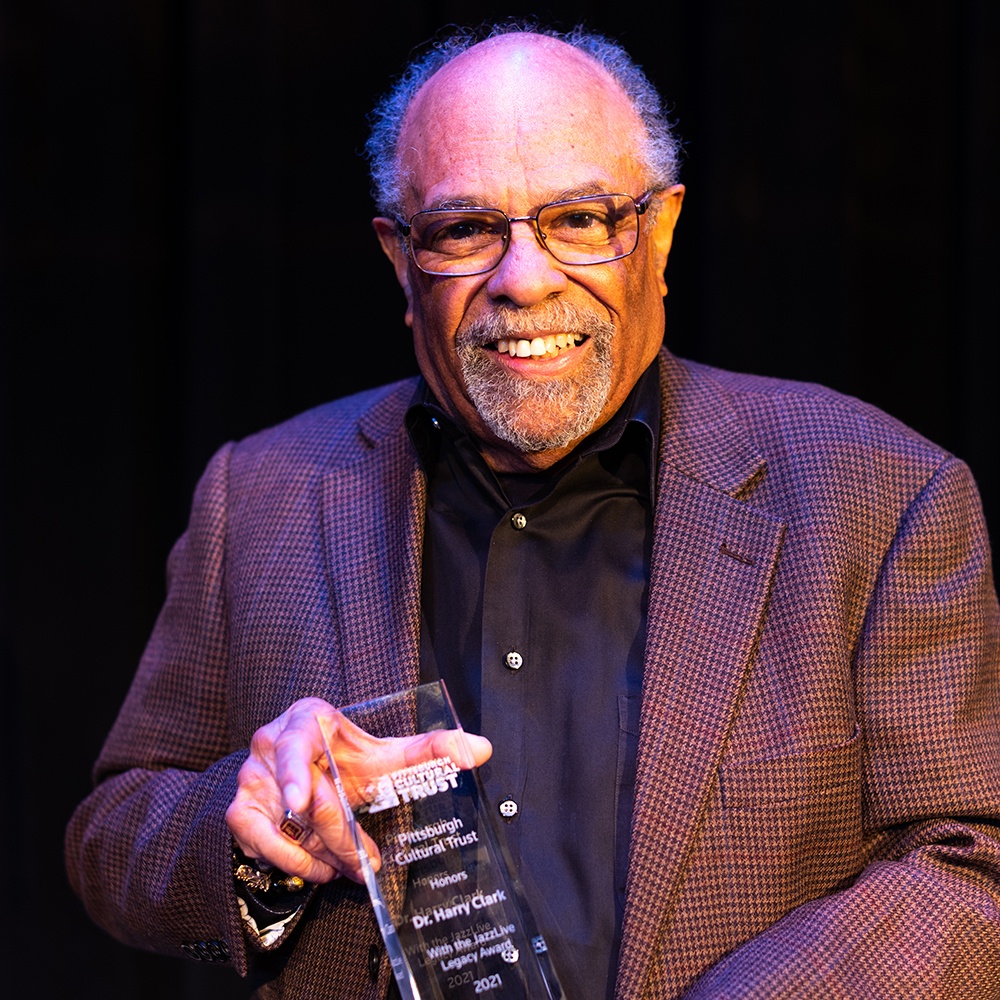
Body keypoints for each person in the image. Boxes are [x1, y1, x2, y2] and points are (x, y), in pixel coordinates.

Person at [66, 22, 1000, 1000]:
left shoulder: (879, 490)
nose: (524, 278)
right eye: (466, 229)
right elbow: (114, 840)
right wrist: (260, 838)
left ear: (662, 230)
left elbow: (967, 860)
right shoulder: (260, 495)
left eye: (580, 219)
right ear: (399, 255)